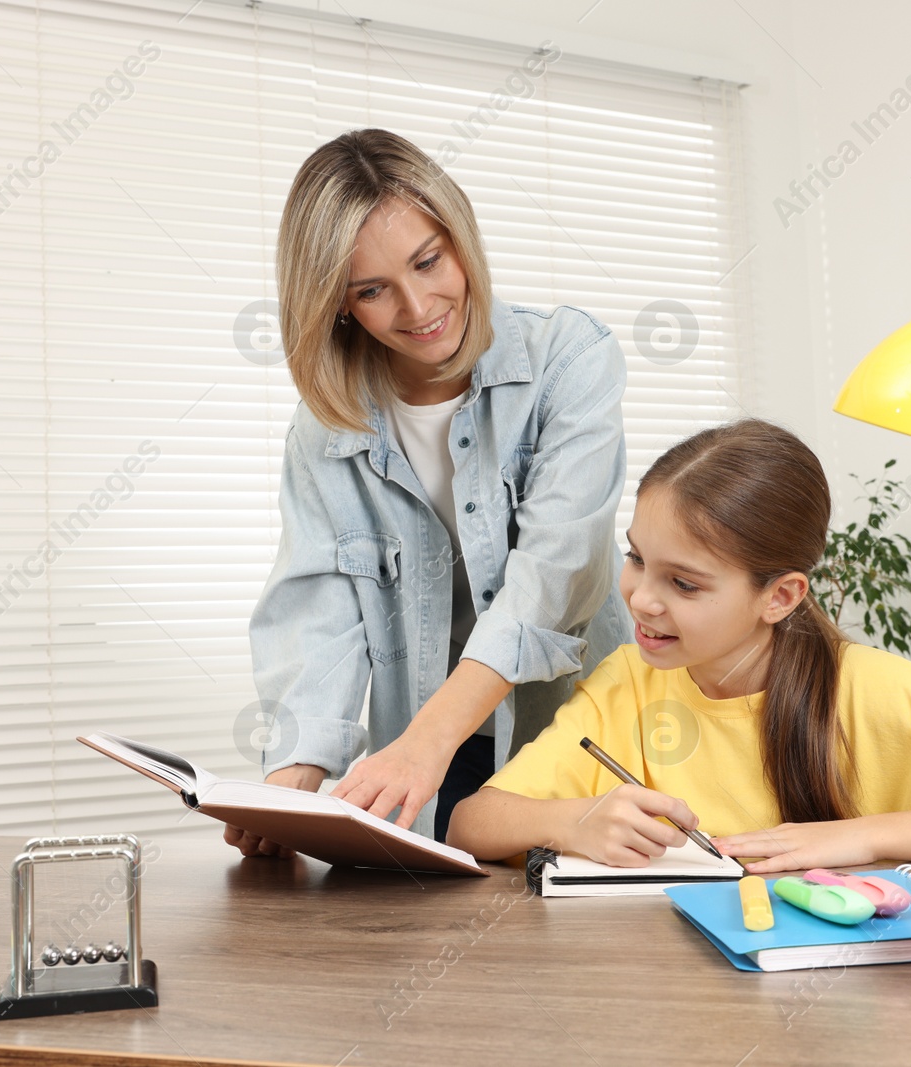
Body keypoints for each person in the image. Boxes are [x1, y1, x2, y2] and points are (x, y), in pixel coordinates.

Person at [445, 419, 911, 871]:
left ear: (781, 596)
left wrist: (858, 835)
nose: (641, 598)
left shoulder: (871, 691)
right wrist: (576, 819)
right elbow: (472, 823)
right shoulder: (629, 679)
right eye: (636, 559)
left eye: (683, 582)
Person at [228, 128, 632, 852]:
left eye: (429, 261)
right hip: (428, 748)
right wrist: (291, 782)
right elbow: (315, 612)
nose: (418, 308)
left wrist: (426, 742)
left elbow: (554, 577)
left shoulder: (569, 358)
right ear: (339, 303)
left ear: (459, 234)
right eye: (373, 290)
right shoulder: (326, 425)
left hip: (573, 728)